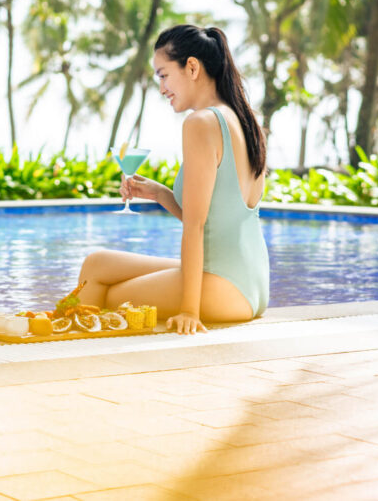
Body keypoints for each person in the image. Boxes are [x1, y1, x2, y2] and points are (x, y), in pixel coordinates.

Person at [77, 25, 269, 335]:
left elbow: (194, 228)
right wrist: (160, 194)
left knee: (109, 297)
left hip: (224, 287)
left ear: (192, 67)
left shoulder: (201, 122)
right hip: (252, 283)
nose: (162, 87)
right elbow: (214, 220)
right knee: (96, 265)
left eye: (164, 75)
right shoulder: (243, 119)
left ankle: (63, 355)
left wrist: (189, 311)